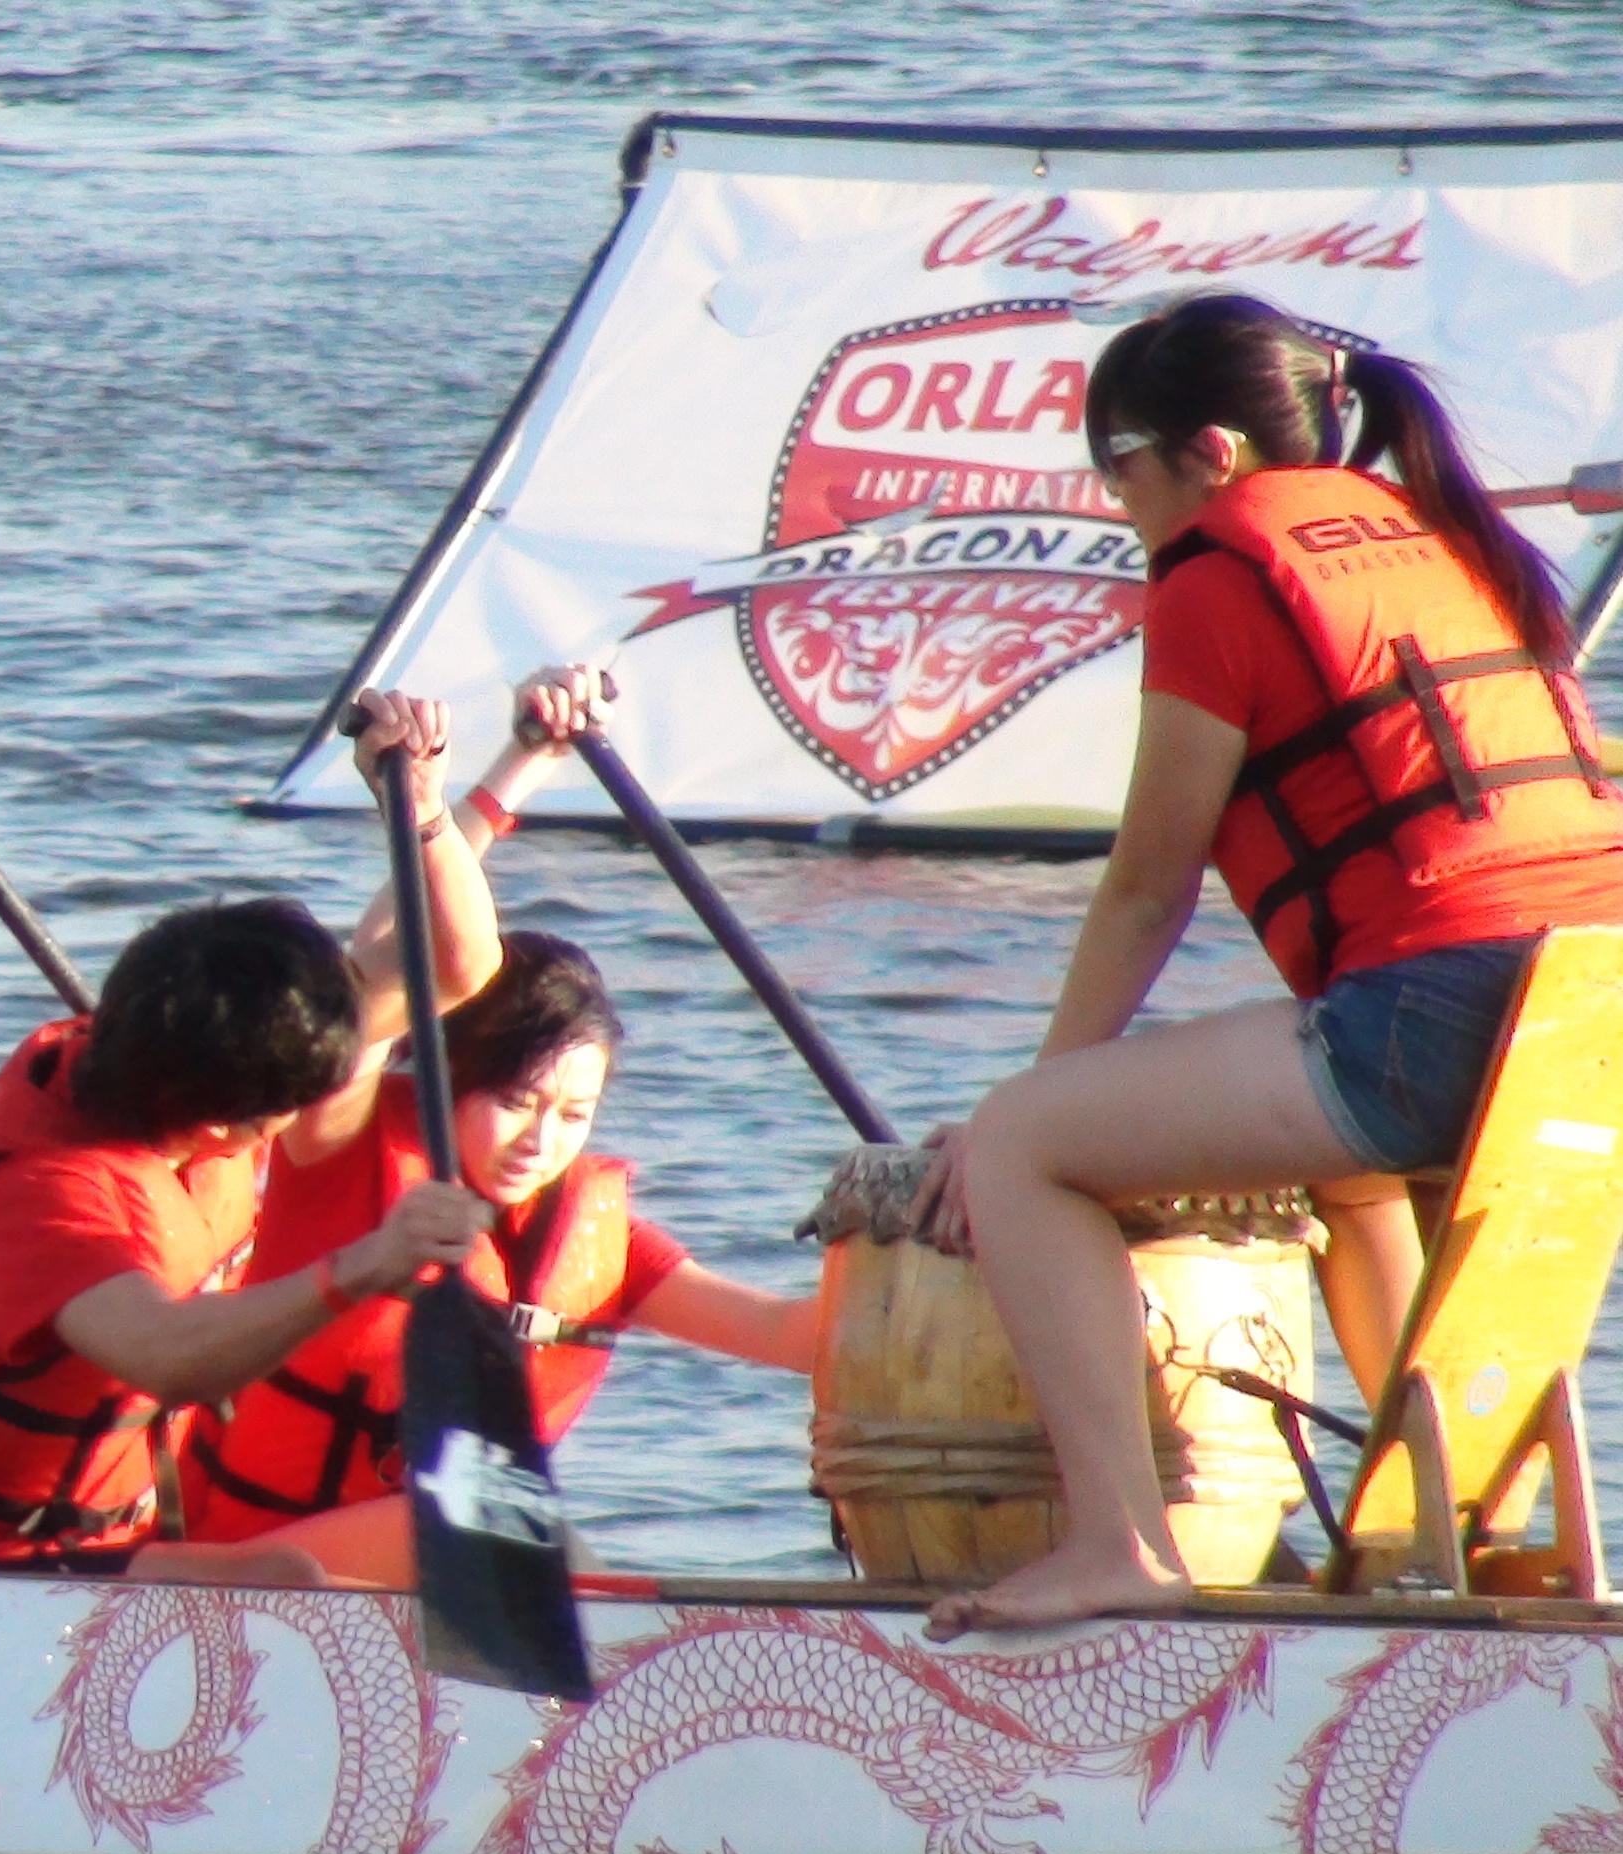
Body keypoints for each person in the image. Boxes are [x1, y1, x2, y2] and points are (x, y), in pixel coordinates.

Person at [910, 291, 1623, 1636]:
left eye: (1120, 463)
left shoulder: (1218, 576)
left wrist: (1031, 1099)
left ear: (1213, 453)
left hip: (1455, 1003)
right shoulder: (1438, 529)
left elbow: (1147, 887)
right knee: (1347, 1169)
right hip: (1596, 1001)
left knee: (1019, 1146)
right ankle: (1436, 1537)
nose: (1114, 500)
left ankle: (1119, 1544)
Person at [0, 697, 498, 1583]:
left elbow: (453, 967)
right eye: (289, 1110)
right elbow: (169, 1358)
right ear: (221, 1127)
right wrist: (368, 1264)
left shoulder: (191, 1046)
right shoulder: (45, 1197)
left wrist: (421, 809)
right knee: (288, 1588)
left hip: (96, 1548)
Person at [200, 930, 822, 1578]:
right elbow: (369, 990)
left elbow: (786, 1334)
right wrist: (455, 860)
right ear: (447, 1076)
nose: (541, 1142)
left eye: (574, 1116)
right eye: (517, 1103)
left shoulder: (602, 1241)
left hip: (443, 1570)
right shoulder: (342, 1157)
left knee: (524, 1530)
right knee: (514, 1527)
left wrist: (885, 1240)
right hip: (260, 1562)